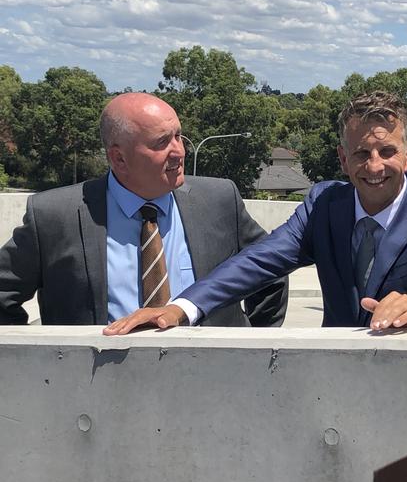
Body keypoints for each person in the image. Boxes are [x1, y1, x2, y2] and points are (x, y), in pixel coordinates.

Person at [104, 90, 407, 335]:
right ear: (343, 159)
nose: (375, 166)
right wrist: (182, 308)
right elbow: (258, 260)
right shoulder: (325, 205)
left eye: (387, 152)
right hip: (334, 382)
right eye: (362, 154)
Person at [0, 92, 287, 327]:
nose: (179, 151)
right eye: (162, 142)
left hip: (209, 383)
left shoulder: (220, 200)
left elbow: (270, 271)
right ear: (119, 158)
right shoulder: (54, 216)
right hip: (99, 388)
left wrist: (251, 347)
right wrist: (37, 359)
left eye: (179, 136)